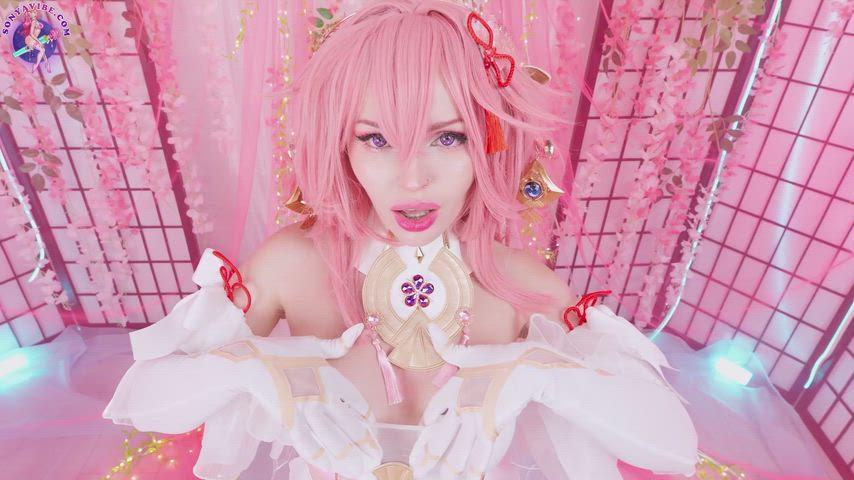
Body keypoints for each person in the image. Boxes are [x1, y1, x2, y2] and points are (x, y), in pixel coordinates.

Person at [104, 0, 698, 479]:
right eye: (377, 139)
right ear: (342, 145)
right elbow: (143, 404)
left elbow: (673, 446)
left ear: (488, 142)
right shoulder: (292, 265)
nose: (413, 178)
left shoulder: (522, 284)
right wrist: (252, 367)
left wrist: (535, 369)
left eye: (448, 138)